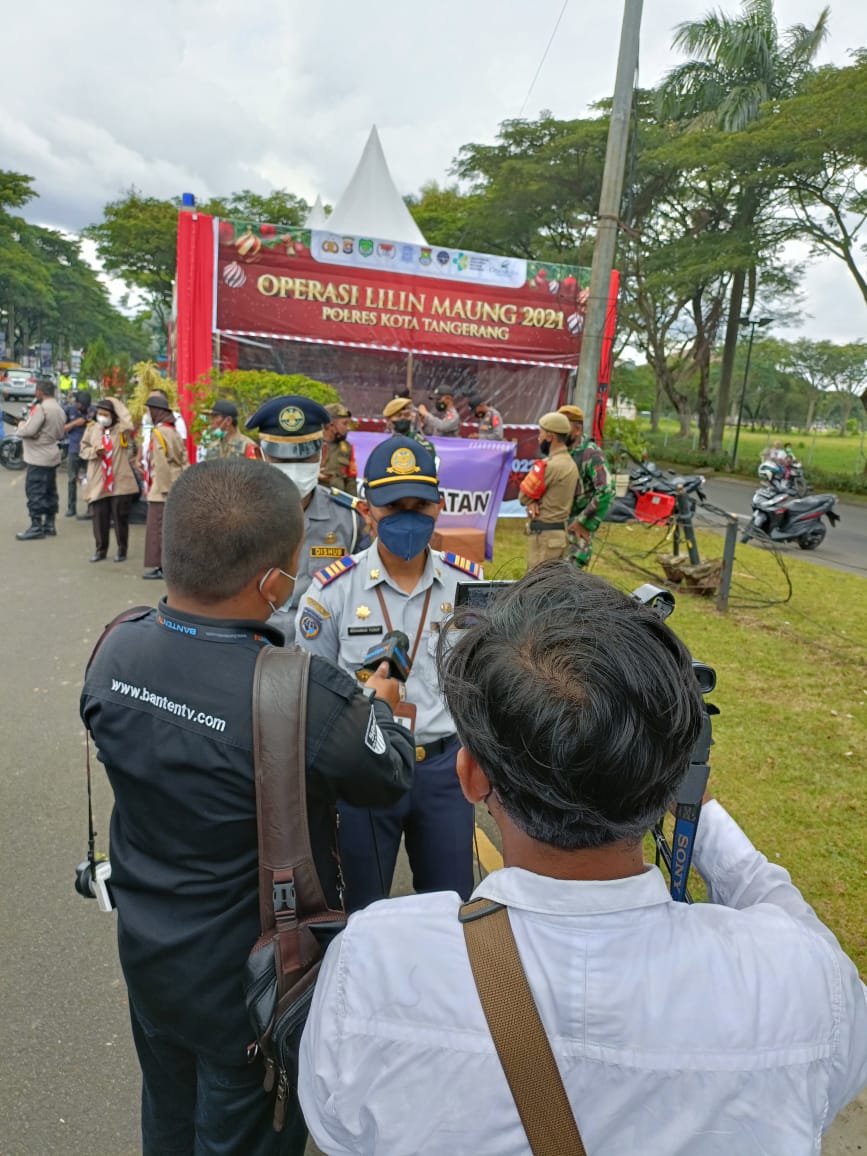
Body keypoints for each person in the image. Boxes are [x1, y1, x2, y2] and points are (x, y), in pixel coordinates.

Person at [298, 561, 867, 1155]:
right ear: (674, 774)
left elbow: (337, 1132)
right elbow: (827, 1003)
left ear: (470, 777)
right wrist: (708, 826)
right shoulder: (799, 983)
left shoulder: (375, 964)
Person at [80, 458, 414, 1156]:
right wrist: (381, 708)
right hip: (256, 990)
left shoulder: (117, 646)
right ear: (274, 585)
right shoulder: (305, 695)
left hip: (150, 961)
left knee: (167, 1116)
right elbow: (387, 778)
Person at [294, 435, 482, 912]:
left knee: (451, 909)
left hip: (444, 770)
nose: (408, 517)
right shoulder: (331, 593)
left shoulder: (467, 587)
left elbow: (484, 678)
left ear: (439, 507)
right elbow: (314, 693)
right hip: (365, 768)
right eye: (394, 507)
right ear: (366, 511)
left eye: (420, 506)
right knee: (360, 909)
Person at [246, 395, 369, 644]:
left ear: (322, 454)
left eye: (304, 459)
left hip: (321, 651)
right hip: (253, 648)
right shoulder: (238, 516)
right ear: (260, 456)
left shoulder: (350, 520)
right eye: (282, 460)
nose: (293, 468)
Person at [79, 397, 138, 562]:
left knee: (120, 518)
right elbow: (83, 450)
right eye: (99, 413)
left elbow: (128, 421)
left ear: (113, 415)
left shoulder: (121, 430)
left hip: (119, 481)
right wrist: (94, 452)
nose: (102, 417)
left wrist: (112, 400)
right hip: (98, 481)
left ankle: (122, 550)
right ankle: (101, 550)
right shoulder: (92, 429)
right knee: (99, 518)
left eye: (106, 414)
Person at [518, 411, 579, 568]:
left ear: (550, 437)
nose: (539, 438)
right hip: (559, 536)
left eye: (541, 433)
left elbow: (523, 496)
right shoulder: (570, 463)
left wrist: (531, 501)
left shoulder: (549, 465)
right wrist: (533, 501)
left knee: (537, 580)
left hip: (544, 537)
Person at [559, 403, 616, 568]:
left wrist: (584, 522)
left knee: (568, 577)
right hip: (554, 531)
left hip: (575, 533)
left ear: (577, 429)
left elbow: (607, 490)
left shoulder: (590, 453)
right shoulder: (560, 451)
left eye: (564, 427)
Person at [140, 390, 188, 580]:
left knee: (158, 529)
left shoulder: (158, 433)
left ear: (155, 412)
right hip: (177, 481)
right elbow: (184, 458)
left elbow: (160, 464)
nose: (148, 415)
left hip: (162, 488)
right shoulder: (174, 432)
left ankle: (161, 566)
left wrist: (164, 489)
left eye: (149, 410)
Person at [14, 379, 67, 541]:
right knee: (50, 491)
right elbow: (60, 434)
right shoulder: (59, 409)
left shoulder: (41, 409)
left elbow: (28, 430)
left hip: (37, 457)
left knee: (35, 491)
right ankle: (50, 524)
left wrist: (21, 425)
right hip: (51, 455)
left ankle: (36, 526)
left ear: (39, 392)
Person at [63, 389, 94, 517]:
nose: (82, 407)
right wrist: (75, 423)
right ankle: (71, 508)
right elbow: (62, 428)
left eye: (85, 406)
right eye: (81, 405)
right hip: (74, 449)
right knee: (71, 479)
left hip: (89, 450)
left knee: (90, 479)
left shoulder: (93, 411)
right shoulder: (69, 410)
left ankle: (90, 509)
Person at [319, 402, 357, 495]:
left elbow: (351, 481)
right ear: (330, 425)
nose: (348, 428)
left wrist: (354, 502)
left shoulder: (346, 448)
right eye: (345, 424)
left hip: (337, 500)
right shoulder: (310, 445)